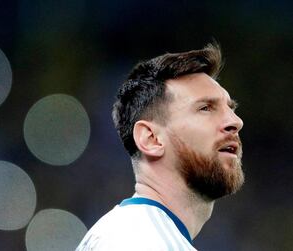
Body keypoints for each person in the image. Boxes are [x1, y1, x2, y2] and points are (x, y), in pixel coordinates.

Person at [76, 43, 244, 251]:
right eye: (205, 108)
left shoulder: (144, 235)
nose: (235, 121)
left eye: (231, 108)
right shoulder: (133, 239)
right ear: (151, 139)